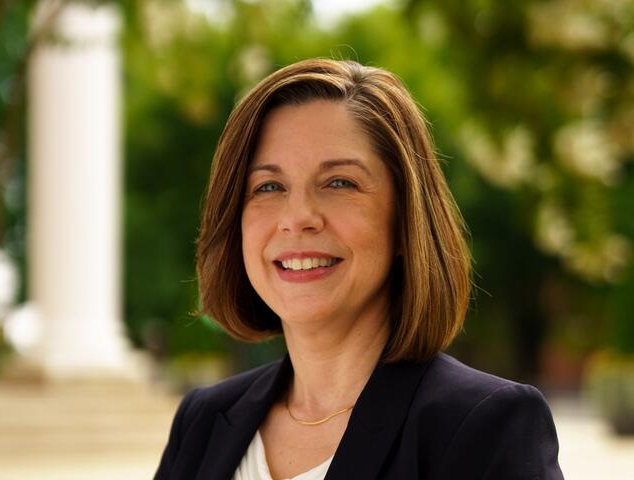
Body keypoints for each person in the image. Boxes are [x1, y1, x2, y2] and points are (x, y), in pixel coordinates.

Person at [154, 58, 564, 480]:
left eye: (339, 182)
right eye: (269, 187)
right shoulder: (201, 423)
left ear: (405, 221)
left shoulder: (486, 427)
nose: (298, 217)